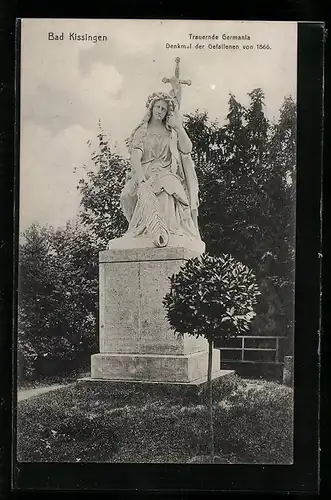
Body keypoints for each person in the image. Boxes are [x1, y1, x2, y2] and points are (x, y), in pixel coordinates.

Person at [109, 79, 205, 252]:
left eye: (163, 109)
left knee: (168, 187)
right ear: (151, 108)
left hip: (167, 173)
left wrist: (179, 127)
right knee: (126, 195)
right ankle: (138, 231)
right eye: (157, 107)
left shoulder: (171, 131)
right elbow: (135, 159)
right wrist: (140, 179)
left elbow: (187, 148)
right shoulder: (142, 131)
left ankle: (170, 230)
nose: (160, 111)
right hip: (145, 172)